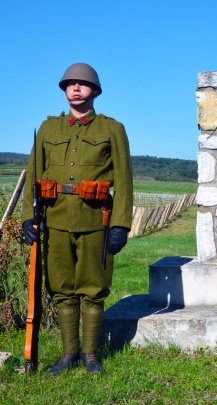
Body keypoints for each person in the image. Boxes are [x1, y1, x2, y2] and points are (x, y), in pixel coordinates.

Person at [22, 63, 133, 375]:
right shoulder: (47, 130)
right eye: (70, 84)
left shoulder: (112, 129)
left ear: (95, 91)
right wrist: (29, 218)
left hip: (96, 221)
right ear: (64, 90)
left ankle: (90, 355)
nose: (75, 88)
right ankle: (68, 354)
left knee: (93, 287)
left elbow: (124, 180)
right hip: (55, 219)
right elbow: (34, 174)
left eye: (83, 84)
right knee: (61, 287)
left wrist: (121, 224)